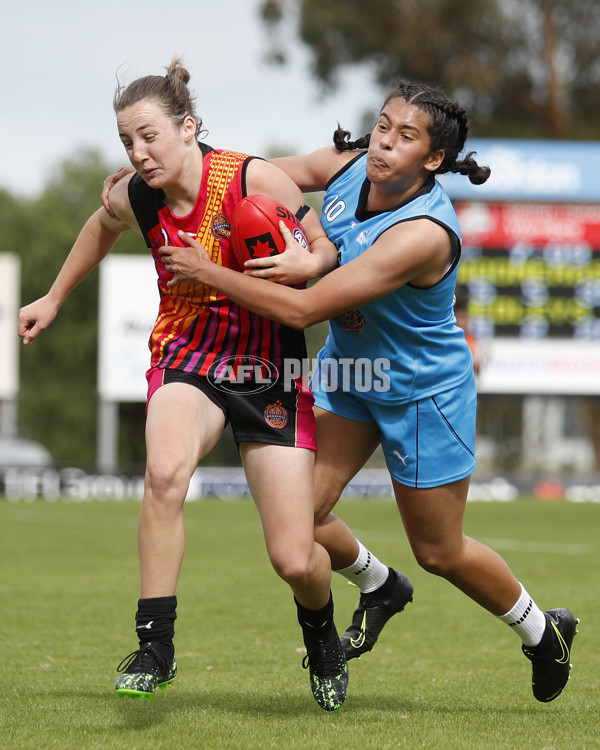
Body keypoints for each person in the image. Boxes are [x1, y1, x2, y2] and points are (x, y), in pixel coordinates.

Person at [142, 79, 578, 703]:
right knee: (302, 516)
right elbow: (238, 179)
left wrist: (216, 271)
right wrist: (160, 158)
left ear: (432, 159)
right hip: (351, 376)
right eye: (382, 126)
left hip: (422, 392)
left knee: (439, 550)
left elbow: (304, 310)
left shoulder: (422, 232)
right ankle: (379, 586)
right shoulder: (343, 168)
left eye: (406, 137)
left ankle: (542, 632)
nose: (383, 144)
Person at [17, 58, 350, 712]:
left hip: (267, 368)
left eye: (149, 136)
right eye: (126, 143)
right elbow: (100, 223)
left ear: (188, 126)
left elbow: (324, 246)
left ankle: (321, 635)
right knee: (165, 473)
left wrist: (307, 260)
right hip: (186, 355)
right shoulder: (137, 194)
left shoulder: (254, 178)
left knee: (293, 557)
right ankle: (155, 644)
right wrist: (54, 297)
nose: (138, 154)